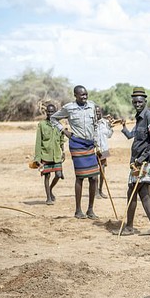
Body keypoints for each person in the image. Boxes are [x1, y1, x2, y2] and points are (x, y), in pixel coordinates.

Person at [117, 87, 150, 236]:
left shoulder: (149, 115)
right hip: (136, 162)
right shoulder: (139, 117)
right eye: (135, 102)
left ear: (145, 101)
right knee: (136, 192)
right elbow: (131, 136)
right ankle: (145, 226)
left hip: (145, 162)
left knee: (137, 192)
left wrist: (143, 158)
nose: (137, 104)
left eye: (140, 102)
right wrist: (123, 127)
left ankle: (136, 227)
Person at [51, 85, 100, 219]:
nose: (84, 97)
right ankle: (78, 210)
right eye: (82, 95)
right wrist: (64, 131)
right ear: (75, 95)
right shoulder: (69, 108)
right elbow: (53, 118)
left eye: (86, 94)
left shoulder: (92, 106)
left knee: (94, 177)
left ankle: (90, 209)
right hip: (77, 143)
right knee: (80, 177)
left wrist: (97, 141)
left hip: (90, 144)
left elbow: (96, 124)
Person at [34, 103, 65, 205]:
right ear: (46, 112)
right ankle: (48, 198)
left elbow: (61, 139)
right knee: (47, 176)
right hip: (45, 155)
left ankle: (50, 189)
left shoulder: (59, 125)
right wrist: (37, 158)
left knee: (58, 175)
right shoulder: (42, 125)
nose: (50, 114)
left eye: (53, 112)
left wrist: (63, 151)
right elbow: (38, 142)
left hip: (56, 155)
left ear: (56, 113)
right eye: (49, 112)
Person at [95, 106, 113, 199]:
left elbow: (109, 135)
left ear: (101, 113)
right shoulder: (92, 124)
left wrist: (110, 126)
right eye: (96, 112)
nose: (97, 114)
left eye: (99, 112)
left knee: (102, 171)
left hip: (104, 150)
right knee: (94, 172)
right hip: (95, 150)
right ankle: (95, 192)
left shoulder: (105, 123)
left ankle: (101, 190)